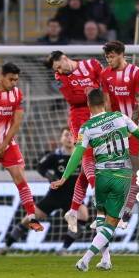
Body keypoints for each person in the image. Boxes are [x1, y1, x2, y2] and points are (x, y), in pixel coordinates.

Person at [51, 88, 139, 272]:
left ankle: (106, 260)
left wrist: (64, 178)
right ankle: (85, 260)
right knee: (110, 223)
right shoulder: (120, 117)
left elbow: (77, 154)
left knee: (101, 219)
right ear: (105, 102)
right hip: (122, 176)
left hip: (101, 177)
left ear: (88, 104)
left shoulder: (86, 127)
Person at [0, 63, 43, 253]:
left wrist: (4, 144)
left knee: (19, 176)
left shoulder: (17, 94)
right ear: (2, 76)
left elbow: (17, 121)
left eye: (16, 80)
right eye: (11, 79)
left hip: (8, 143)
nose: (14, 83)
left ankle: (31, 216)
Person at [0, 128, 90, 255]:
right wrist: (49, 176)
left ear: (77, 138)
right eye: (66, 135)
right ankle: (6, 246)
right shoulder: (54, 156)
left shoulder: (81, 156)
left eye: (72, 135)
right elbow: (40, 166)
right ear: (61, 139)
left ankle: (64, 249)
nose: (69, 138)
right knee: (29, 219)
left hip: (73, 198)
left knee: (83, 216)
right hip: (54, 196)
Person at [44, 51, 102, 234]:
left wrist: (91, 91)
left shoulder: (92, 64)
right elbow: (73, 98)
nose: (59, 70)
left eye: (59, 65)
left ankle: (74, 210)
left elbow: (105, 86)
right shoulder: (59, 76)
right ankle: (100, 207)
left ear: (64, 57)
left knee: (90, 165)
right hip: (79, 118)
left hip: (99, 114)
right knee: (86, 155)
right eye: (56, 69)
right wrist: (93, 91)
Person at [99, 41, 139, 229]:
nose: (109, 60)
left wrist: (130, 127)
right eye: (107, 57)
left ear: (121, 54)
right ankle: (113, 210)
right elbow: (107, 103)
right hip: (117, 129)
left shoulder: (136, 73)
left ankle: (126, 212)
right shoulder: (105, 74)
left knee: (136, 169)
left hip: (135, 129)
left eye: (112, 56)